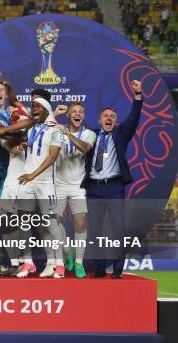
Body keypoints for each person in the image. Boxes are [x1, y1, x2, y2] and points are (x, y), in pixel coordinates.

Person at [84, 80, 143, 279]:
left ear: (115, 121)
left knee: (118, 231)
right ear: (99, 120)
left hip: (114, 188)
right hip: (93, 189)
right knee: (95, 232)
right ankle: (99, 268)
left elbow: (134, 118)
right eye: (105, 116)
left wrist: (137, 96)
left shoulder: (121, 134)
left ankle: (117, 269)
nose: (109, 118)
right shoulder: (90, 135)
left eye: (112, 116)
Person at [15, 97, 65, 278]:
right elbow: (32, 151)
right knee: (23, 223)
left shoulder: (56, 131)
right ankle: (28, 263)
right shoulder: (31, 130)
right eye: (32, 106)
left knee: (51, 225)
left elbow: (51, 157)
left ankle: (59, 264)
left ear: (46, 110)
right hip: (27, 182)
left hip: (45, 184)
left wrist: (33, 175)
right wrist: (23, 145)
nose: (33, 109)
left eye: (37, 107)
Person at [54, 102, 96, 278]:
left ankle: (79, 263)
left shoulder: (90, 134)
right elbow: (40, 127)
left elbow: (86, 148)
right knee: (53, 224)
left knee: (80, 224)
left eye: (81, 112)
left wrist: (68, 134)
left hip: (78, 187)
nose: (78, 114)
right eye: (74, 112)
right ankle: (65, 251)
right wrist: (54, 116)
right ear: (68, 115)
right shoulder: (59, 131)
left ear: (84, 116)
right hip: (58, 185)